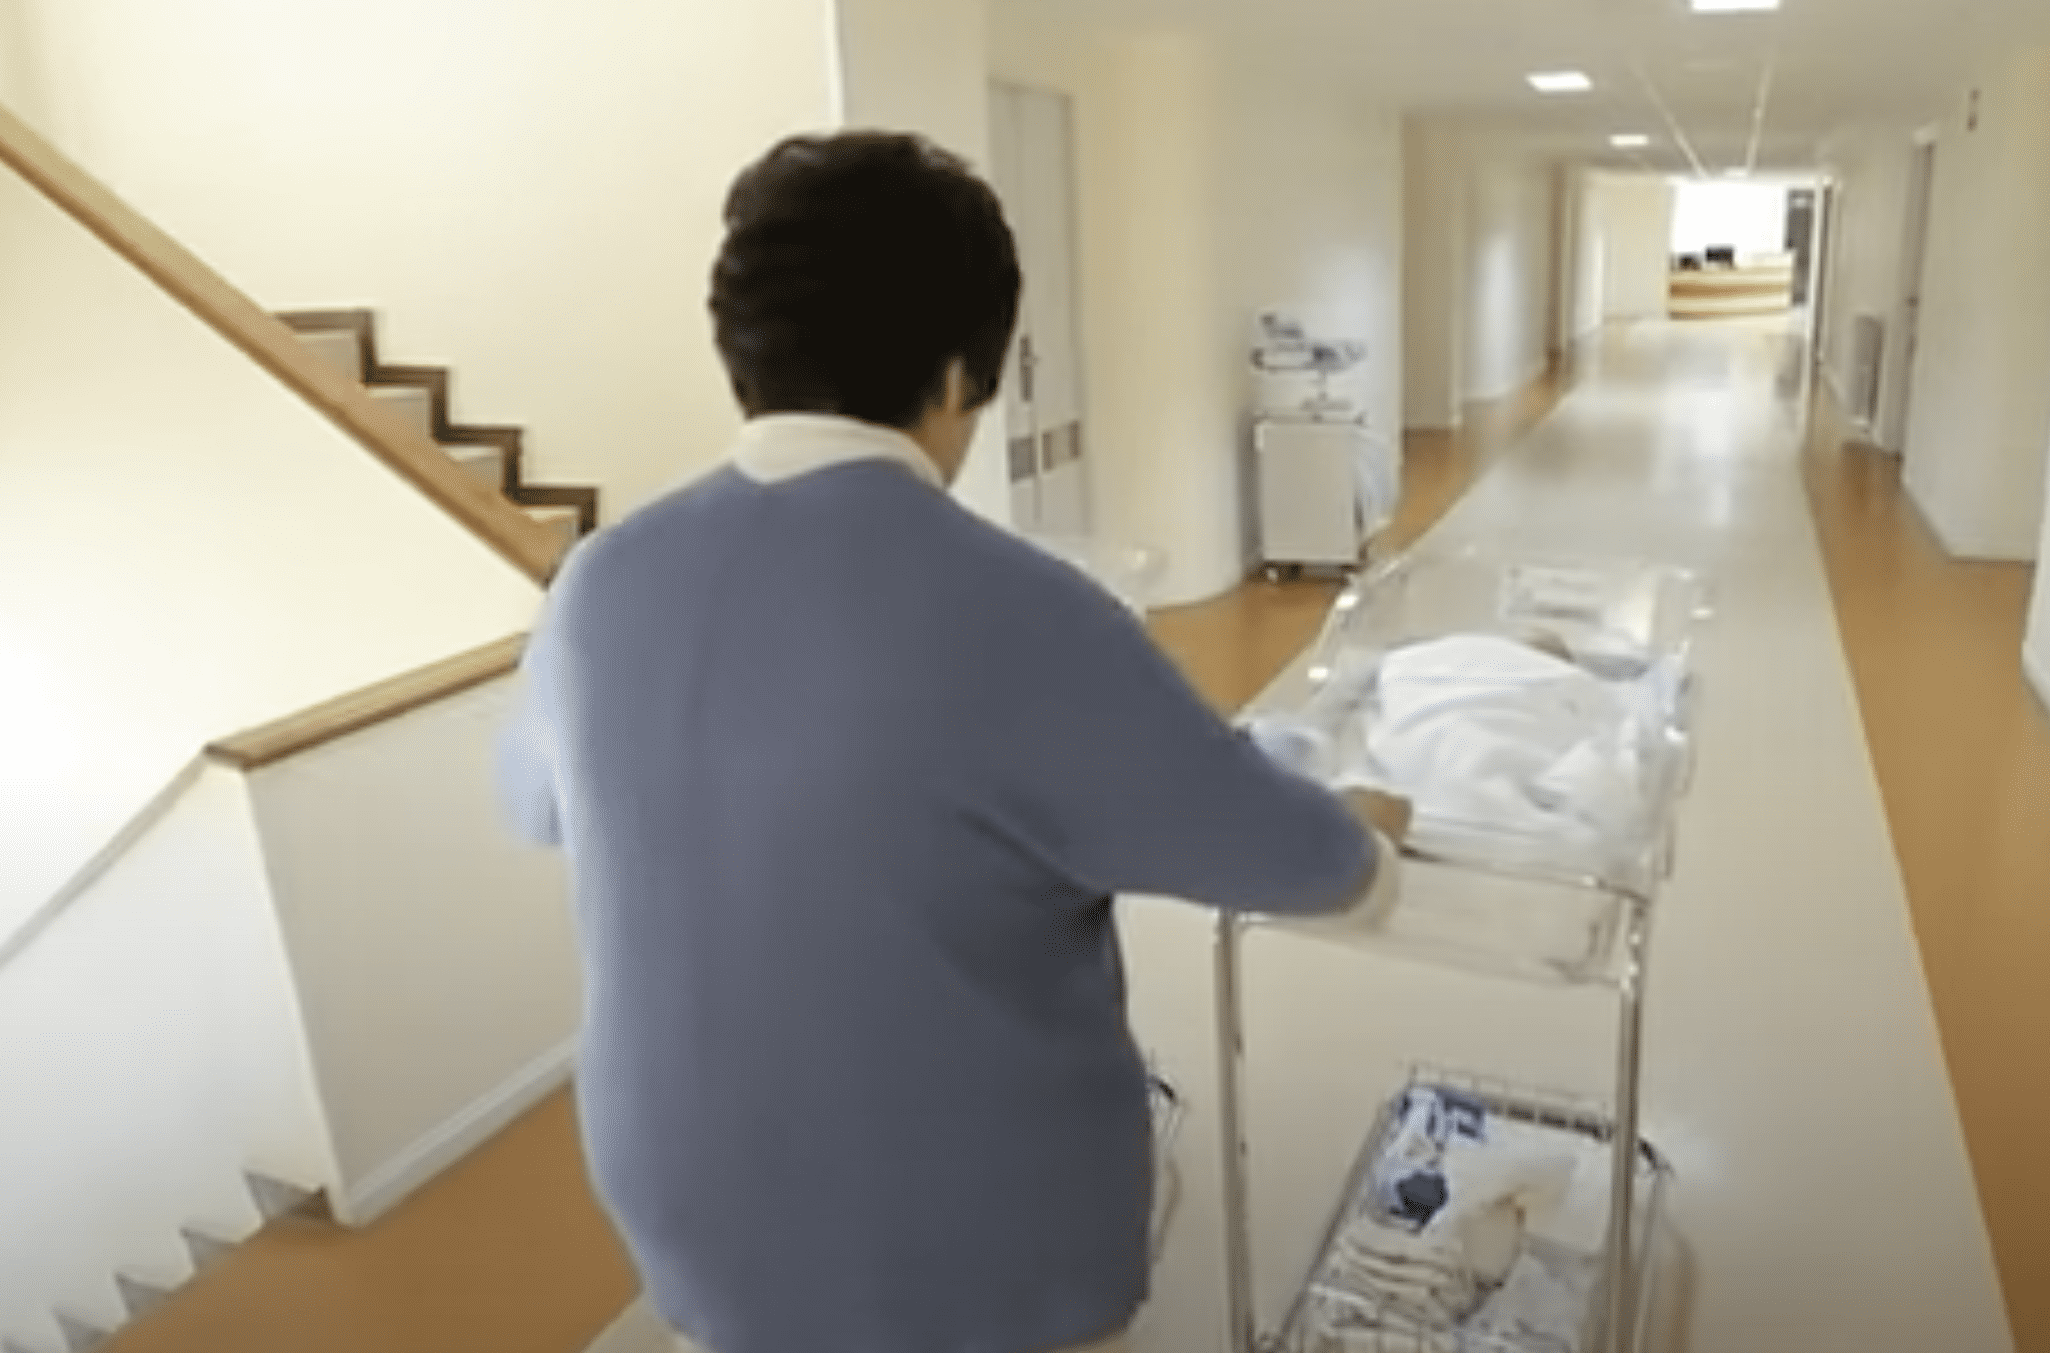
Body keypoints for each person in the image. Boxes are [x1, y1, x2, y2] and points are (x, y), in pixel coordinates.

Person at [496, 130, 1405, 1353]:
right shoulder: (1021, 608)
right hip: (961, 1253)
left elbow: (537, 804)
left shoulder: (601, 581)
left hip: (685, 1220)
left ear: (743, 352)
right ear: (962, 373)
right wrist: (1355, 815)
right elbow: (1305, 865)